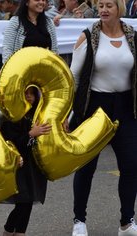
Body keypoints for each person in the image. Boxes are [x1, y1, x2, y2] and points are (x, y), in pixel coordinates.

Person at [69, 0, 137, 235]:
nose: (104, 10)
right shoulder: (88, 36)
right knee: (87, 167)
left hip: (127, 108)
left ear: (120, 8)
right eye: (100, 6)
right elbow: (73, 78)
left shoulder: (132, 36)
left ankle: (127, 221)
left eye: (109, 5)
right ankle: (79, 220)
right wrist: (68, 114)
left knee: (131, 165)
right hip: (95, 108)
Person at [0, 87, 51, 236]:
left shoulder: (40, 114)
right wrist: (31, 134)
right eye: (25, 93)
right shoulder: (10, 117)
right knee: (24, 200)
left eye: (32, 93)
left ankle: (18, 232)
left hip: (35, 165)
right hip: (18, 164)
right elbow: (10, 142)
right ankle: (9, 230)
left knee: (28, 201)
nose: (29, 97)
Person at [2, 0, 58, 64]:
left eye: (43, 0)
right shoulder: (16, 22)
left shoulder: (49, 22)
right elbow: (7, 49)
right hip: (21, 70)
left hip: (45, 70)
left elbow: (55, 51)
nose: (41, 2)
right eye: (37, 0)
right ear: (26, 2)